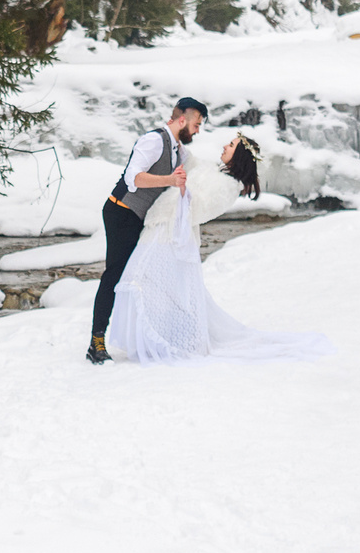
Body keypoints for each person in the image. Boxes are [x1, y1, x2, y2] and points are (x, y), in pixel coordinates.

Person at [104, 127, 331, 367]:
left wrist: (182, 189)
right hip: (159, 227)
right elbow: (192, 163)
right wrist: (175, 142)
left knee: (146, 283)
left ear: (239, 156)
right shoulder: (213, 170)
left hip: (171, 235)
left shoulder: (229, 186)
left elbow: (202, 209)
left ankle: (165, 341)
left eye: (231, 146)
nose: (225, 147)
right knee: (148, 283)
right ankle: (156, 339)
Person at [87, 98, 207, 364]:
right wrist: (170, 180)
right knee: (115, 275)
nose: (197, 131)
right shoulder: (153, 141)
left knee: (143, 273)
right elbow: (133, 177)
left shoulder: (179, 151)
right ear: (183, 119)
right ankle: (96, 342)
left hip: (140, 218)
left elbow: (196, 172)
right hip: (121, 211)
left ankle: (155, 334)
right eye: (197, 124)